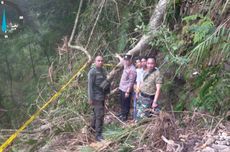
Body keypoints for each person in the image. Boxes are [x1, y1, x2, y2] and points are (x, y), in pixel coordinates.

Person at [88, 55, 109, 141]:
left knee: (97, 114)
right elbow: (90, 86)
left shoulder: (103, 71)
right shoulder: (92, 72)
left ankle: (92, 129)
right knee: (99, 115)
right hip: (96, 98)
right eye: (98, 61)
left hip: (102, 96)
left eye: (101, 61)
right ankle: (98, 135)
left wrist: (107, 94)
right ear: (95, 62)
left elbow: (105, 83)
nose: (100, 62)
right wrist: (90, 98)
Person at [116, 53, 137, 121]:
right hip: (122, 88)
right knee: (121, 101)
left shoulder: (132, 70)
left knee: (126, 103)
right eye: (125, 60)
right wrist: (118, 56)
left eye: (127, 60)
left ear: (131, 60)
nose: (126, 61)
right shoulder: (126, 65)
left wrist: (128, 92)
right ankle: (122, 113)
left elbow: (131, 82)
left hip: (126, 90)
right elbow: (122, 60)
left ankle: (125, 116)